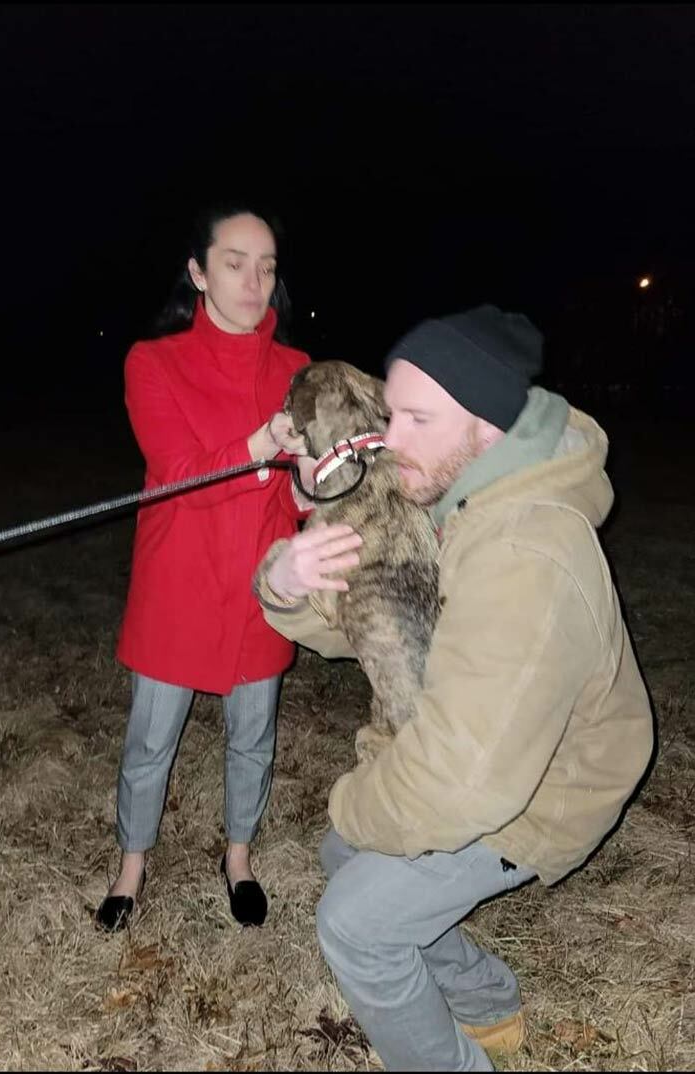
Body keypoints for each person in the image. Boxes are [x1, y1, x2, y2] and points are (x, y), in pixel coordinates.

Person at [254, 305, 654, 1070]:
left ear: (486, 426)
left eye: (418, 420)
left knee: (356, 922)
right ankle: (487, 1005)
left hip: (546, 788)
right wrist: (286, 583)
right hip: (484, 742)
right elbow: (378, 623)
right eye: (391, 413)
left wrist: (353, 801)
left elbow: (467, 784)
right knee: (349, 852)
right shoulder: (461, 492)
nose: (387, 440)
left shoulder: (527, 551)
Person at [95, 204, 311, 933]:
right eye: (235, 263)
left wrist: (321, 480)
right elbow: (180, 472)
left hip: (261, 584)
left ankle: (240, 856)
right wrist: (262, 442)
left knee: (253, 732)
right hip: (180, 582)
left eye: (268, 267)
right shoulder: (152, 362)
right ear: (197, 272)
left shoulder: (297, 371)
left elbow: (304, 493)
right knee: (151, 737)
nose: (255, 282)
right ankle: (131, 865)